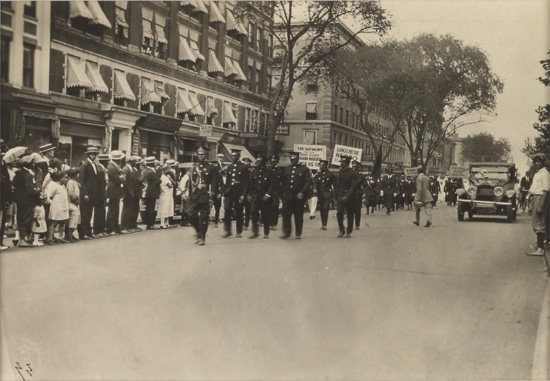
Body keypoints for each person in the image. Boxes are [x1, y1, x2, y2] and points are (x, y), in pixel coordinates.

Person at [185, 145, 219, 246]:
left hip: (205, 195)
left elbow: (214, 184)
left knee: (204, 218)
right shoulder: (194, 167)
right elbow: (191, 183)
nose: (200, 156)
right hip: (195, 195)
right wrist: (189, 194)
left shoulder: (212, 168)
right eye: (198, 154)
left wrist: (212, 197)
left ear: (206, 154)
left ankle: (202, 237)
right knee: (190, 215)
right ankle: (199, 231)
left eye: (202, 154)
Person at [281, 151, 311, 239]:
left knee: (298, 215)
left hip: (298, 196)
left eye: (294, 159)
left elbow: (307, 182)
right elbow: (283, 182)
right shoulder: (287, 169)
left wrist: (302, 192)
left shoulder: (304, 169)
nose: (293, 160)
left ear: (298, 159)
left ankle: (298, 233)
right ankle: (287, 232)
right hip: (287, 196)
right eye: (291, 159)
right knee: (286, 215)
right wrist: (283, 193)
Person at [12, 155, 41, 247]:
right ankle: (22, 240)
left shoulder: (19, 173)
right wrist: (37, 191)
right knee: (24, 219)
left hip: (20, 199)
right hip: (26, 200)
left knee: (21, 218)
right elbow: (30, 190)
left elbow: (15, 184)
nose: (33, 164)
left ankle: (22, 238)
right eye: (32, 163)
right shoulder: (28, 175)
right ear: (28, 164)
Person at [526, 153, 550, 256]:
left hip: (540, 198)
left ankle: (540, 249)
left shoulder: (545, 173)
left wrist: (540, 205)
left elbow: (546, 190)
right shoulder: (537, 173)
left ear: (543, 162)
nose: (537, 163)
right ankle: (539, 245)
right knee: (535, 223)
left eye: (539, 161)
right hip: (535, 197)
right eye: (535, 161)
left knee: (539, 223)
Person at [245, 154, 274, 239]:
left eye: (259, 161)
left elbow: (271, 185)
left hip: (264, 196)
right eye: (256, 160)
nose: (256, 162)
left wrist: (268, 194)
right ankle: (255, 231)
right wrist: (249, 194)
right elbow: (251, 184)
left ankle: (266, 232)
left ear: (264, 162)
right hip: (255, 195)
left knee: (265, 214)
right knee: (253, 212)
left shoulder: (269, 172)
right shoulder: (254, 171)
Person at [221, 149, 248, 238]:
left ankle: (239, 231)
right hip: (229, 192)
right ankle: (228, 230)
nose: (233, 157)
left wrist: (243, 194)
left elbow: (246, 182)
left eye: (235, 155)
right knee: (227, 209)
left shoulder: (244, 167)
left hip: (239, 191)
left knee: (239, 212)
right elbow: (228, 181)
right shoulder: (230, 167)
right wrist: (224, 192)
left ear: (239, 156)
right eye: (232, 156)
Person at [78, 146, 102, 240]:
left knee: (89, 214)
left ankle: (88, 232)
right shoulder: (85, 165)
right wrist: (85, 193)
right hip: (86, 195)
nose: (93, 156)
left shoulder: (94, 165)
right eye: (91, 154)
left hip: (93, 194)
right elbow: (82, 181)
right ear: (88, 155)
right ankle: (83, 233)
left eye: (94, 154)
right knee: (85, 214)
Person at [45, 170, 70, 245]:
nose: (66, 179)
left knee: (62, 223)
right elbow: (51, 196)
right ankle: (50, 238)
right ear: (59, 178)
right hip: (57, 207)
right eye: (65, 178)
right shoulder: (56, 187)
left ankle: (61, 237)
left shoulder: (64, 188)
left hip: (63, 207)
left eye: (67, 178)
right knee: (54, 223)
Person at [336, 155, 357, 238]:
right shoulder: (341, 172)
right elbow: (338, 185)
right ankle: (341, 230)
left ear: (346, 163)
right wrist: (336, 195)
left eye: (342, 162)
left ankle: (349, 231)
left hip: (350, 196)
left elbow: (353, 186)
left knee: (350, 214)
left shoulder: (352, 173)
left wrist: (347, 196)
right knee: (339, 213)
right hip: (341, 195)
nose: (341, 163)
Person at [105, 150, 125, 235]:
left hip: (115, 190)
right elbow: (117, 179)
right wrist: (122, 178)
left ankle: (115, 227)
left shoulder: (114, 166)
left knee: (115, 209)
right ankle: (110, 228)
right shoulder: (112, 167)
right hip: (113, 190)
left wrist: (121, 177)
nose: (121, 160)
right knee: (112, 210)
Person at [315, 159, 336, 230]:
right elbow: (315, 182)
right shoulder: (318, 174)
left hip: (327, 193)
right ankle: (323, 223)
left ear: (326, 166)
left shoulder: (330, 174)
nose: (321, 166)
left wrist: (335, 193)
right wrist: (314, 188)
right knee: (321, 208)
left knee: (325, 208)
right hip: (320, 193)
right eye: (320, 165)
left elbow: (334, 184)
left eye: (323, 165)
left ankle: (325, 224)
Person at [142, 156, 161, 230]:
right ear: (152, 163)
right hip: (152, 191)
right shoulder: (151, 171)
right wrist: (158, 181)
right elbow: (158, 180)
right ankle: (150, 224)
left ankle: (148, 223)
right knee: (151, 208)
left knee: (148, 207)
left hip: (148, 191)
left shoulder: (145, 170)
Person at [0, 144, 13, 250]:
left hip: (3, 197)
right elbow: (5, 183)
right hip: (2, 198)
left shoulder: (3, 165)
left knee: (2, 220)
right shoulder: (2, 167)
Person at [268, 154, 285, 231]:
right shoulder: (267, 170)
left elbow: (282, 182)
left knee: (275, 208)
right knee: (268, 207)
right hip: (268, 192)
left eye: (274, 161)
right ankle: (268, 223)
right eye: (271, 161)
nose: (273, 163)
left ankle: (274, 223)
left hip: (276, 192)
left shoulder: (280, 171)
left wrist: (280, 193)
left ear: (277, 162)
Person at [66, 168, 81, 242]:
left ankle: (71, 234)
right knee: (74, 217)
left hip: (75, 202)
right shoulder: (71, 182)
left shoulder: (75, 182)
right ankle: (69, 234)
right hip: (72, 202)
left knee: (75, 218)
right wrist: (76, 200)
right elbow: (71, 193)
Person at [211, 153, 226, 227]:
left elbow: (222, 184)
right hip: (210, 193)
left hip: (217, 192)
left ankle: (216, 221)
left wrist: (220, 193)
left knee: (218, 207)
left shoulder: (219, 175)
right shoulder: (210, 176)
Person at [351, 161, 367, 230]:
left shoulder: (361, 176)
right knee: (350, 210)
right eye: (353, 166)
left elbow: (366, 185)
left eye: (354, 167)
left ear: (358, 168)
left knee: (357, 210)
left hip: (357, 194)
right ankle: (350, 224)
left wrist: (364, 193)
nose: (353, 168)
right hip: (350, 194)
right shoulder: (349, 175)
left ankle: (357, 224)